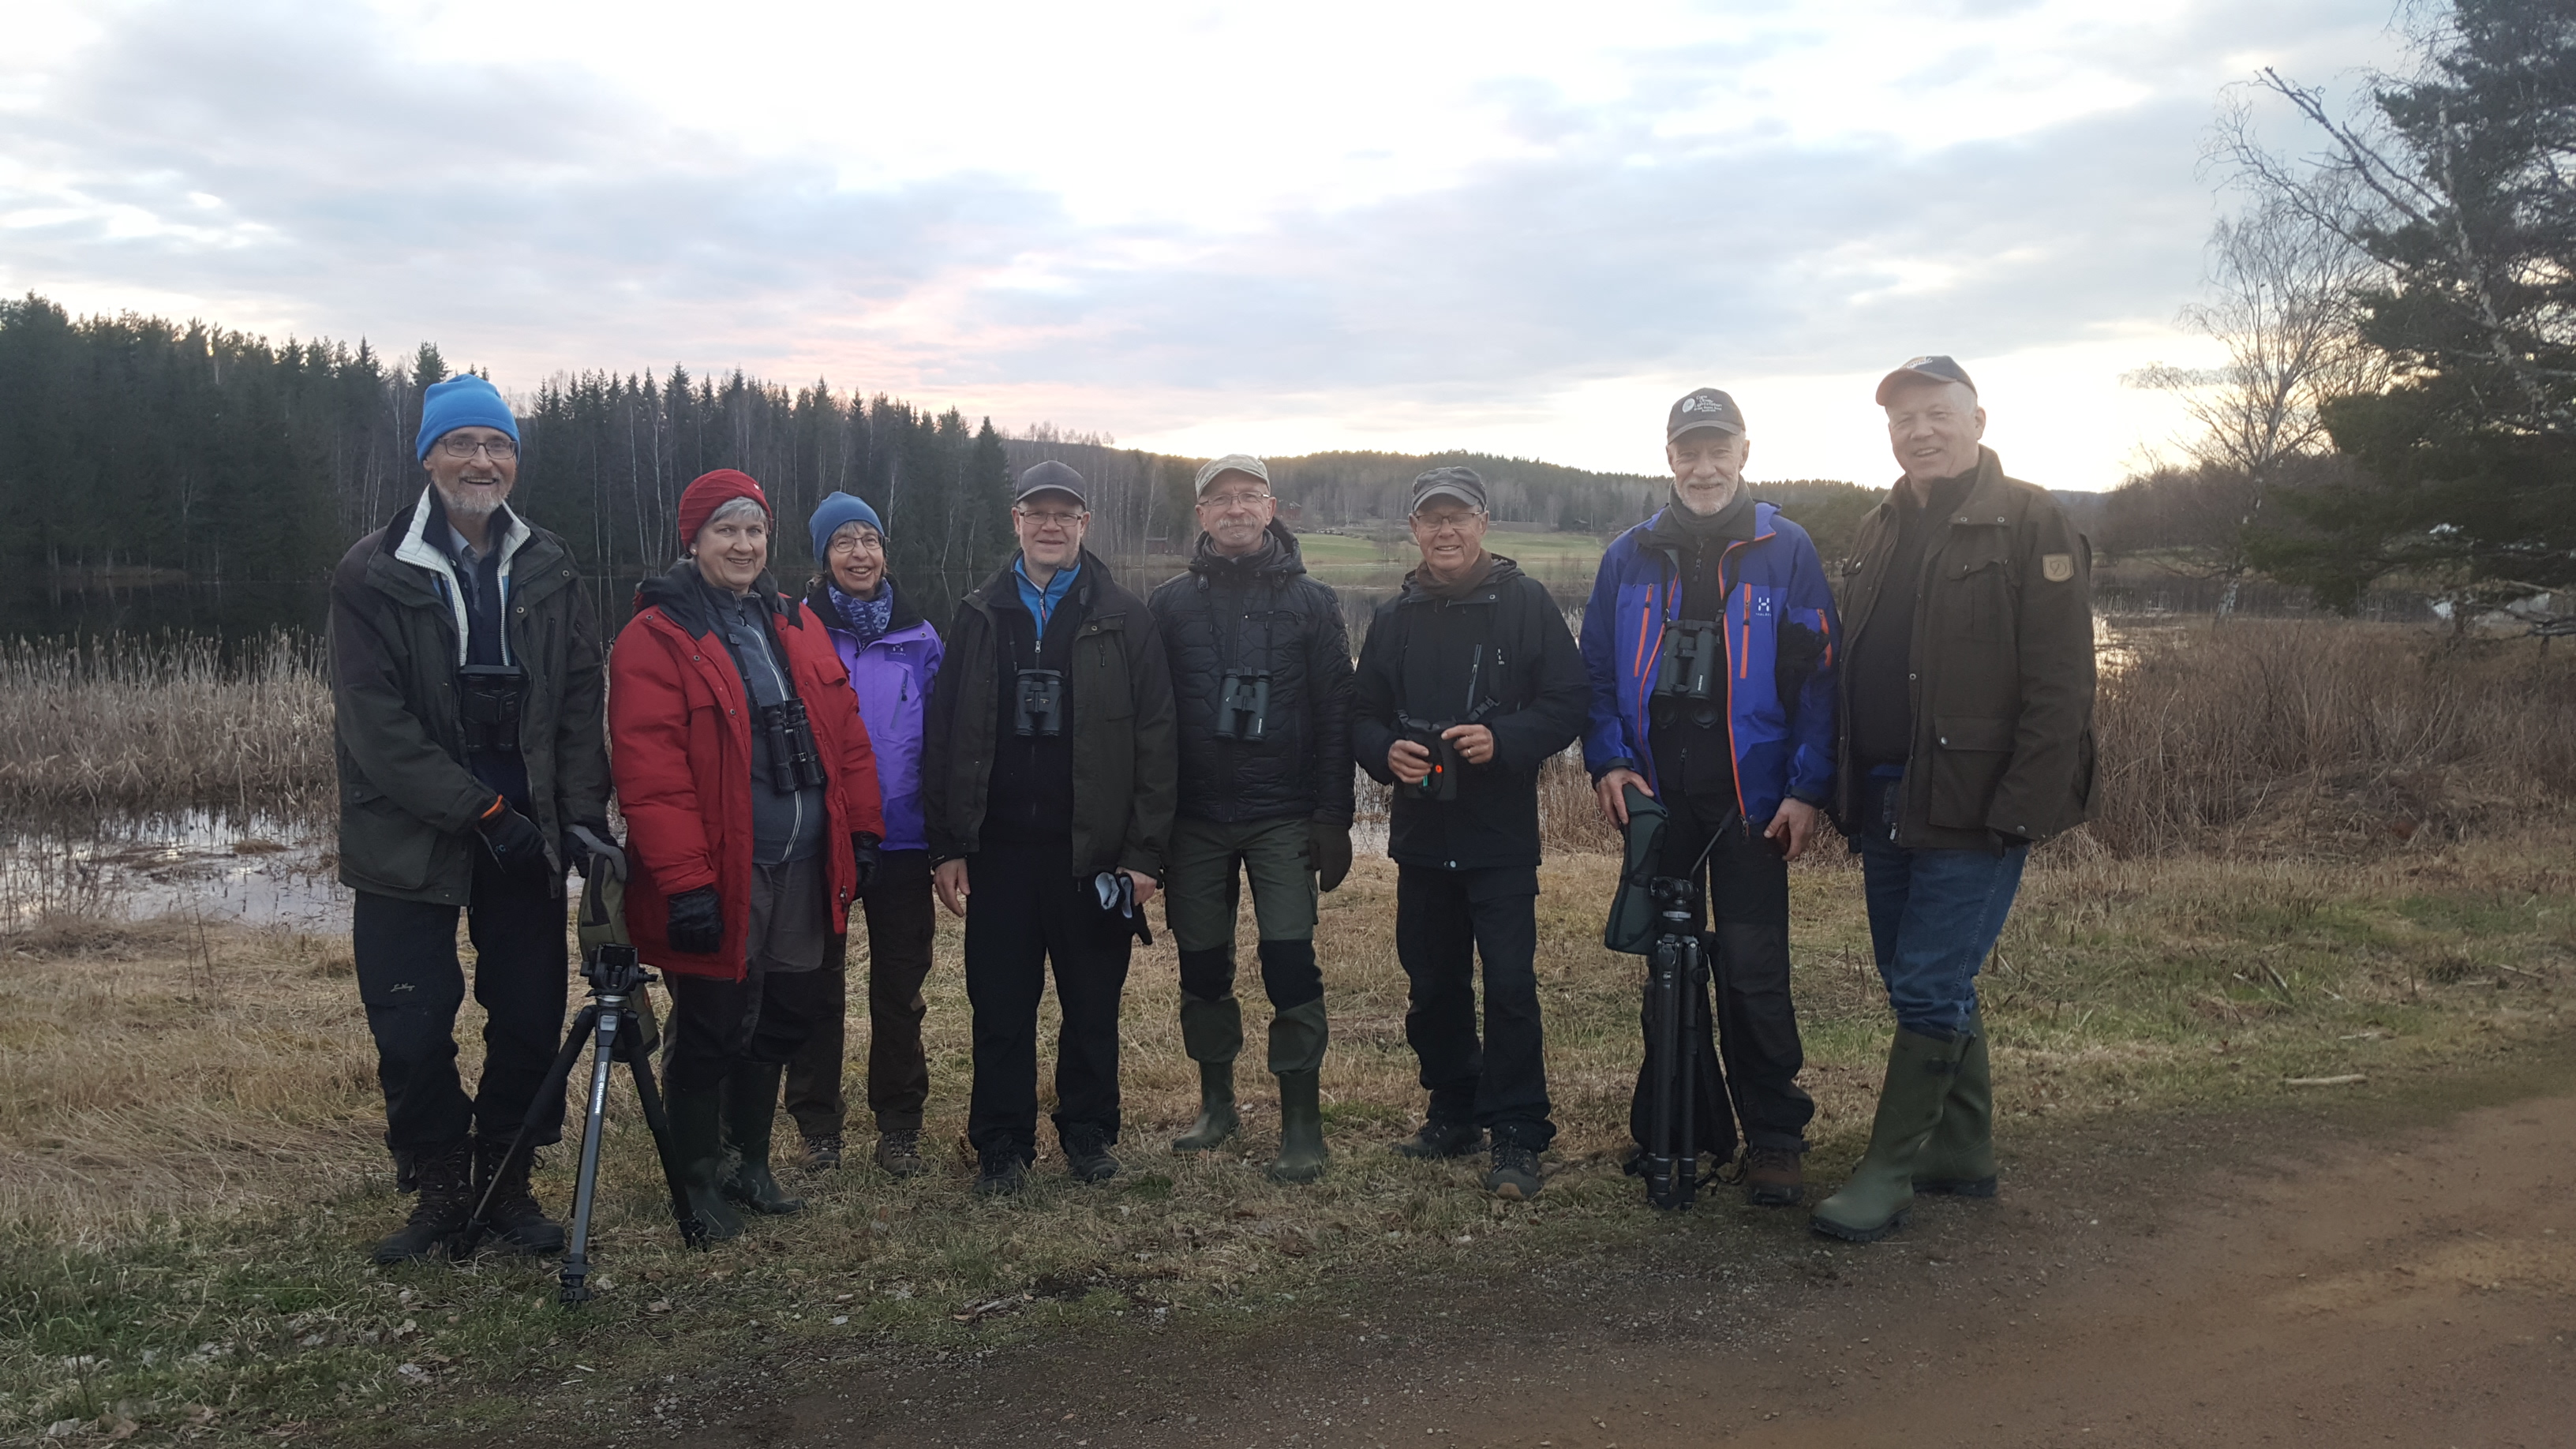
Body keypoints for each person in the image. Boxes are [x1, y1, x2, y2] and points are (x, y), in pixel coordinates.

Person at [329, 373, 616, 1263]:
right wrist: (477, 808)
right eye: (462, 443)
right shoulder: (371, 569)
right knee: (411, 1020)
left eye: (497, 445)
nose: (481, 460)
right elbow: (374, 725)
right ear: (428, 455)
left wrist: (574, 814)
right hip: (407, 831)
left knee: (528, 1014)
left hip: (522, 829)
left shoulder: (549, 562)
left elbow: (577, 698)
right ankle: (441, 1189)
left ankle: (506, 1180)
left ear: (515, 461)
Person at [1813, 355, 2095, 1243]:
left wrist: (2023, 808)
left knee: (1930, 983)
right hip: (1892, 792)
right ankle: (1962, 1150)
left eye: (1938, 414)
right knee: (1915, 978)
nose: (1920, 431)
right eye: (1904, 419)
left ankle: (1890, 1170)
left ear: (1978, 420)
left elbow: (2062, 687)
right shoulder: (1881, 524)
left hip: (1975, 803)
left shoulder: (2031, 520)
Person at [609, 469, 884, 1241]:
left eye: (754, 530)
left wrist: (862, 832)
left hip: (802, 867)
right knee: (713, 1024)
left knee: (789, 1010)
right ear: (693, 540)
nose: (742, 543)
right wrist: (686, 882)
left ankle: (749, 1164)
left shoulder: (796, 624)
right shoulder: (656, 638)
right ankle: (696, 1180)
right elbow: (650, 772)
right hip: (720, 873)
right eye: (725, 529)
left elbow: (848, 737)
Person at [1582, 388, 1840, 1207]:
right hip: (1659, 796)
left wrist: (1806, 787)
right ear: (1668, 458)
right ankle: (1677, 1127)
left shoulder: (1784, 548)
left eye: (1716, 449)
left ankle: (1774, 1136)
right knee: (1667, 969)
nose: (1702, 466)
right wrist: (1608, 763)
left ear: (1743, 452)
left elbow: (1821, 677)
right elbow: (1592, 673)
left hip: (1751, 799)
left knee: (1754, 969)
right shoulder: (1629, 553)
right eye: (1687, 451)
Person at [921, 461, 1178, 1195]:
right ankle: (1001, 1144)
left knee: (1091, 1007)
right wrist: (947, 845)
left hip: (1091, 855)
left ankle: (1089, 1134)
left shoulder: (1126, 615)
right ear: (1017, 521)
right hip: (999, 854)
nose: (1052, 526)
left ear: (1085, 525)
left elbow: (1158, 741)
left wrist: (1145, 855)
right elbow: (946, 736)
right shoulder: (978, 613)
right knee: (999, 1008)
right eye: (1039, 513)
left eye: (1066, 515)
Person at [1351, 467, 1589, 1200]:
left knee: (1511, 984)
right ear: (1415, 530)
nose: (1445, 532)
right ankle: (1453, 1109)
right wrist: (1382, 753)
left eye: (1459, 518)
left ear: (1483, 523)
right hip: (1421, 832)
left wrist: (1504, 739)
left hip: (1500, 834)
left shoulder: (1526, 605)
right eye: (1431, 520)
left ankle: (1518, 1130)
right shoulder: (1393, 617)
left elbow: (1570, 702)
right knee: (1432, 984)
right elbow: (1359, 715)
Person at [1147, 455, 1356, 1183]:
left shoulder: (1315, 603)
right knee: (1202, 966)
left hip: (1283, 814)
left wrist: (1335, 818)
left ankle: (1302, 1121)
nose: (1235, 509)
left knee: (1290, 964)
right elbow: (1151, 724)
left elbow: (1336, 716)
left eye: (1249, 497)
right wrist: (1149, 827)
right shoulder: (1169, 606)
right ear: (1201, 515)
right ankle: (1217, 1104)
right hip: (1196, 819)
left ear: (1272, 509)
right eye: (1220, 500)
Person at [786, 492, 945, 1178]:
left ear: (885, 551)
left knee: (900, 989)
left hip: (905, 840)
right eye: (843, 541)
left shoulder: (922, 638)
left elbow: (944, 741)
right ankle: (818, 1126)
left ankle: (900, 1123)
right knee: (815, 985)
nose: (859, 553)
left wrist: (950, 838)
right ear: (823, 555)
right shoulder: (792, 631)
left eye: (870, 540)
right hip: (823, 840)